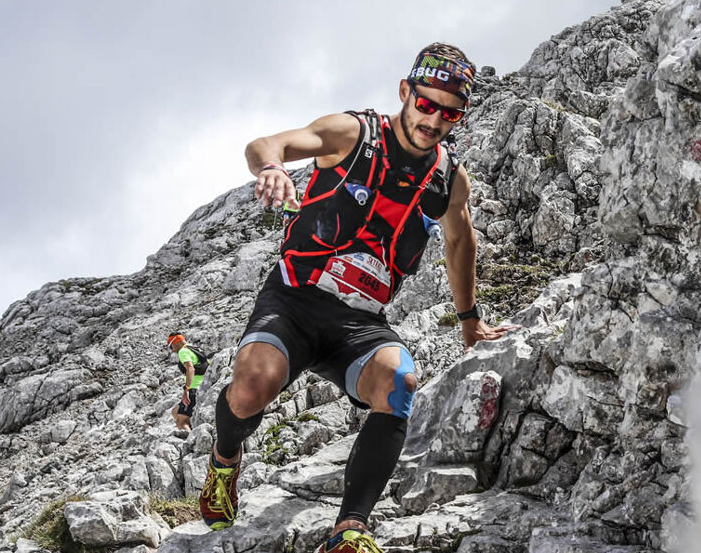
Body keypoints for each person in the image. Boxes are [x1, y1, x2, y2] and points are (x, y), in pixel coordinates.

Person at [198, 43, 516, 553]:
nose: (434, 120)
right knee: (251, 387)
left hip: (361, 321)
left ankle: (350, 530)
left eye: (449, 112)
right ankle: (224, 459)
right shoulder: (353, 134)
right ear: (405, 92)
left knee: (401, 382)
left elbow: (460, 240)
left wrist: (469, 319)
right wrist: (272, 168)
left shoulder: (448, 180)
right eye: (426, 104)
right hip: (295, 301)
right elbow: (265, 143)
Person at [167, 332, 206, 431]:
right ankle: (194, 432)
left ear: (176, 343)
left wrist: (186, 389)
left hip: (194, 389)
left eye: (171, 347)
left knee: (181, 422)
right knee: (175, 411)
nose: (172, 351)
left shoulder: (183, 351)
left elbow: (190, 368)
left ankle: (191, 444)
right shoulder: (194, 348)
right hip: (204, 386)